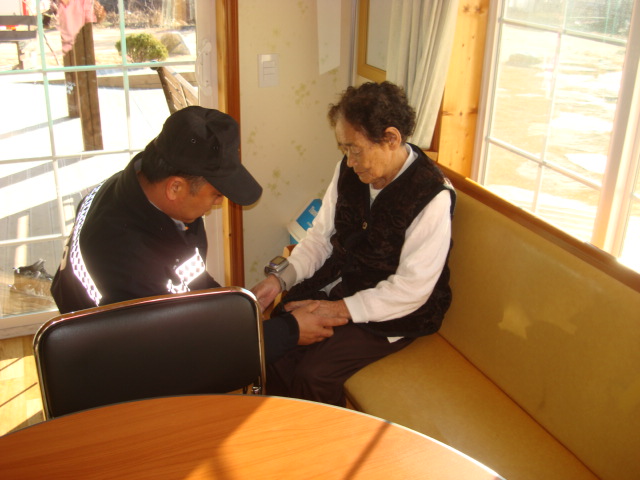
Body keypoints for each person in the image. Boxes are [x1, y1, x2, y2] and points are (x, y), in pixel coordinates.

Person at [50, 106, 347, 363]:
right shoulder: (126, 259)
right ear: (175, 188)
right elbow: (185, 349)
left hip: (148, 330)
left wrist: (235, 305)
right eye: (216, 194)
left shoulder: (150, 194)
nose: (220, 203)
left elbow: (186, 274)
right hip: (110, 358)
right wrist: (289, 332)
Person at [252, 81, 456, 406]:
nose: (349, 161)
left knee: (314, 373)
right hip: (345, 284)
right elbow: (319, 238)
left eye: (355, 149)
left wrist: (338, 309)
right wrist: (281, 279)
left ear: (391, 138)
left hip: (395, 310)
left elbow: (412, 288)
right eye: (344, 149)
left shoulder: (431, 195)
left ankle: (325, 437)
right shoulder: (349, 172)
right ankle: (280, 423)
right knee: (281, 333)